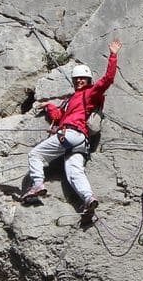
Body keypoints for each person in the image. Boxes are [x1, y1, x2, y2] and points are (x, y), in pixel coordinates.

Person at [22, 39, 120, 225]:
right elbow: (59, 115)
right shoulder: (71, 99)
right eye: (76, 79)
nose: (79, 81)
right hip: (80, 141)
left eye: (82, 79)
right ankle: (89, 199)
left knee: (35, 154)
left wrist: (113, 56)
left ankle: (37, 184)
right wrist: (48, 106)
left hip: (71, 134)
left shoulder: (91, 93)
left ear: (89, 80)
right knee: (74, 172)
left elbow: (108, 80)